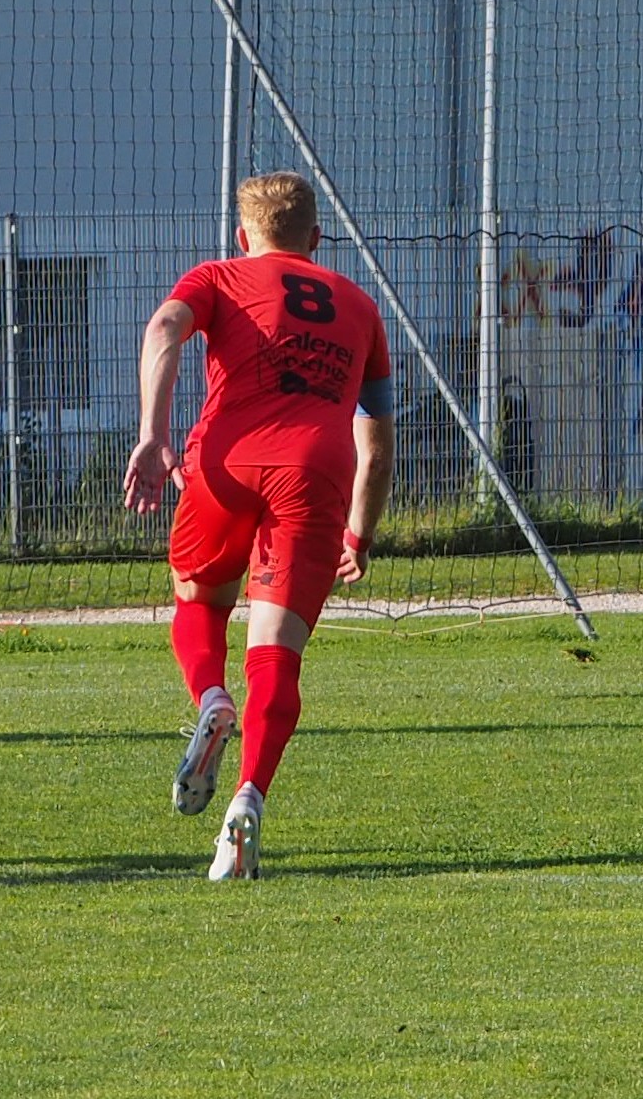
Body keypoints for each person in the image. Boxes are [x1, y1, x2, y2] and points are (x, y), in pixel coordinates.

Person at [124, 170, 396, 881]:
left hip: (225, 461)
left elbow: (164, 327)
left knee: (198, 598)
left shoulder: (218, 277)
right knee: (276, 649)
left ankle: (212, 700)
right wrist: (359, 535)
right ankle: (247, 798)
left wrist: (152, 435)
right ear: (316, 239)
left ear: (243, 237)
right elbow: (377, 448)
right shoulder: (361, 307)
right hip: (315, 472)